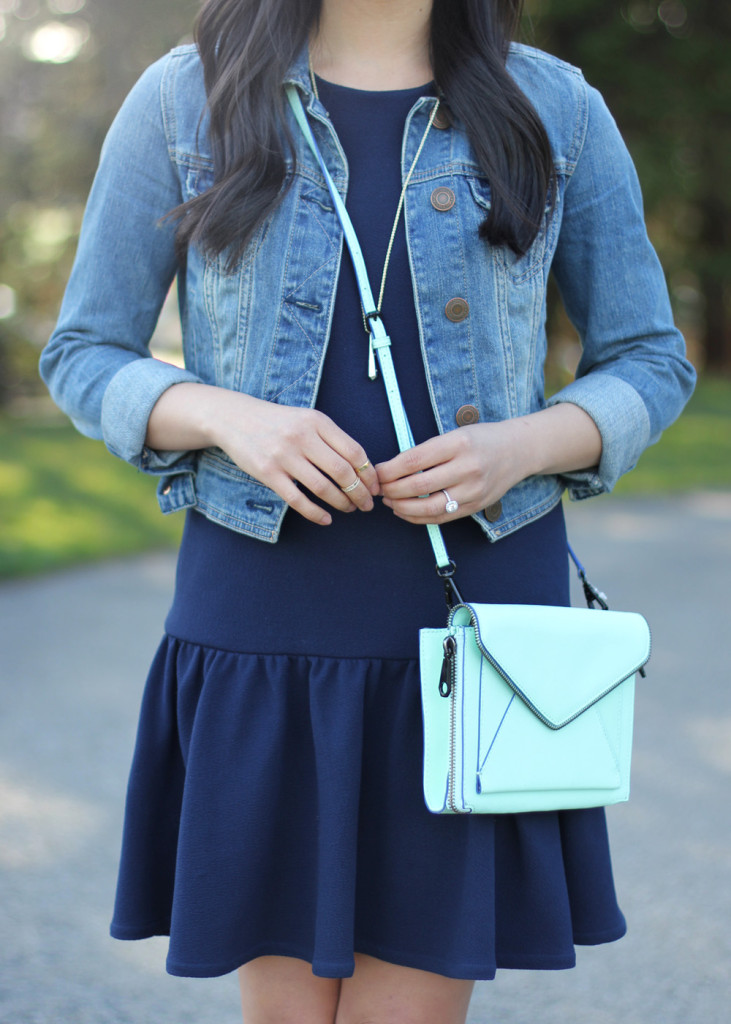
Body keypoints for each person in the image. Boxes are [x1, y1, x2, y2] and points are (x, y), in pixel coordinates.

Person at [40, 1, 695, 1021]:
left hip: (469, 637)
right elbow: (84, 352)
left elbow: (650, 359)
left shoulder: (553, 108)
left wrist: (518, 447)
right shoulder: (185, 98)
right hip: (261, 619)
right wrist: (227, 419)